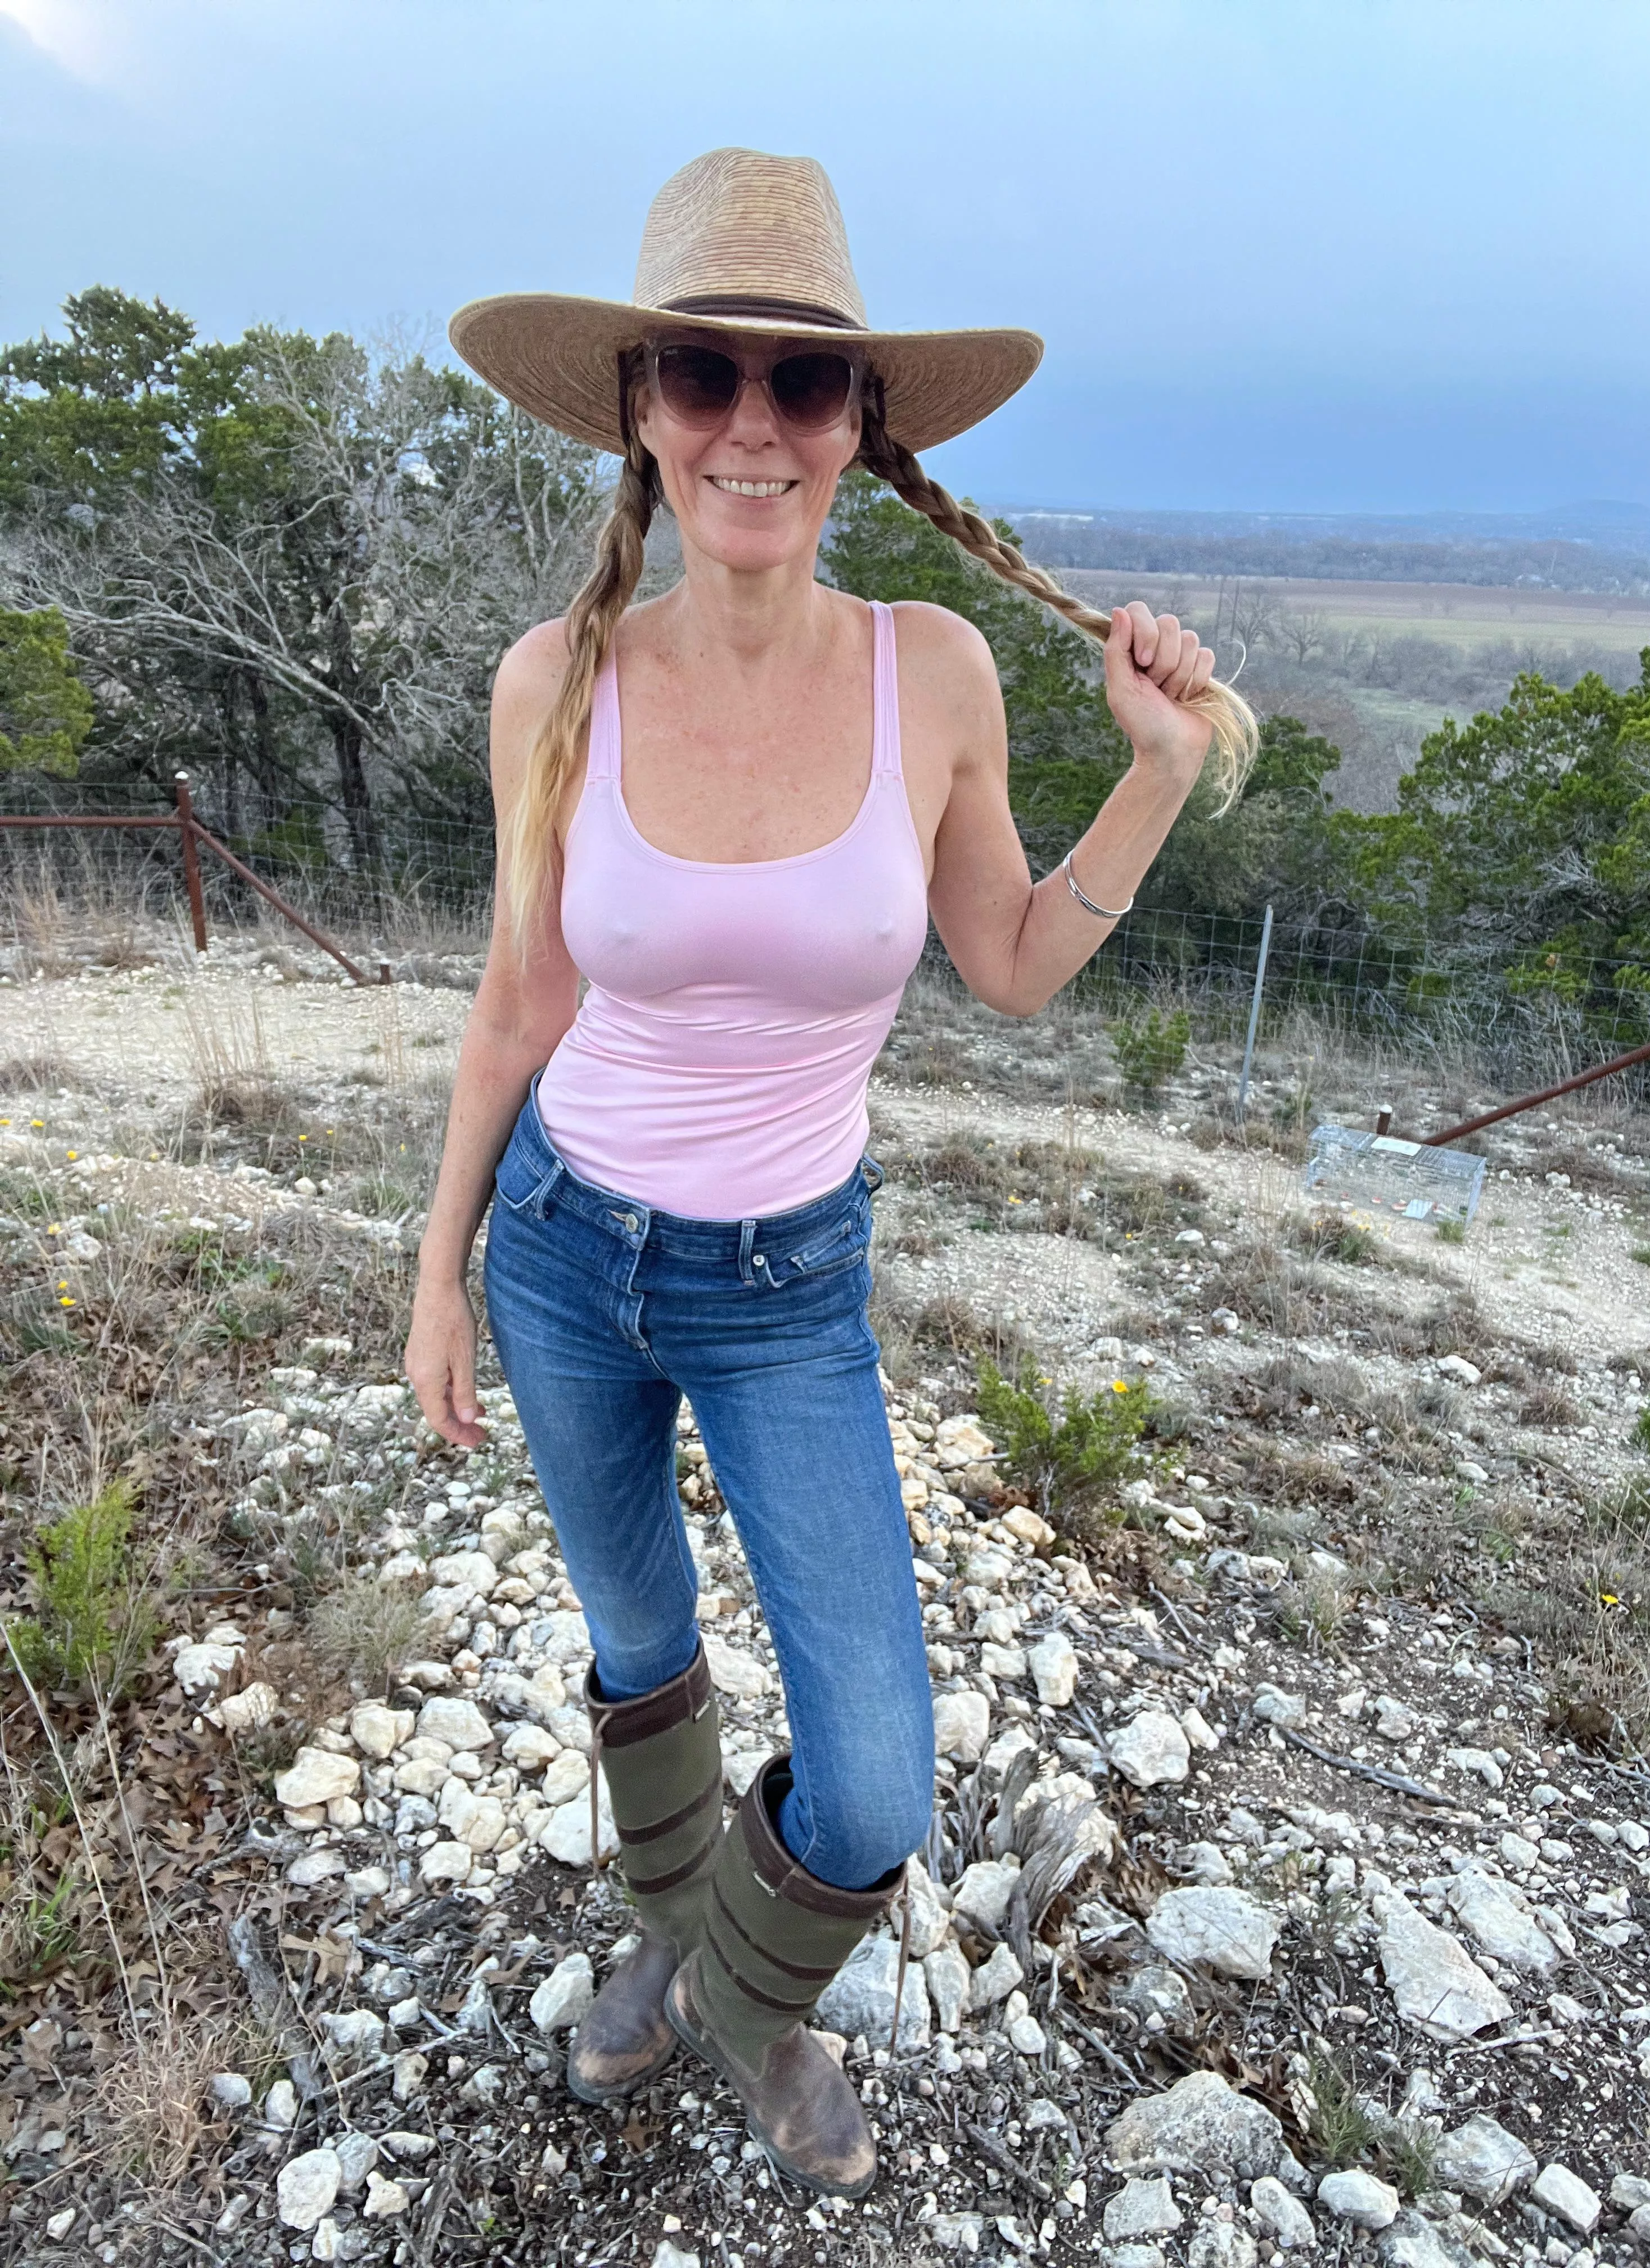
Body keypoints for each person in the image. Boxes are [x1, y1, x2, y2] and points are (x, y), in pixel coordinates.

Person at [408, 146, 1256, 2200]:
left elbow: (1016, 969)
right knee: (636, 1643)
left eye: (806, 387)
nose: (754, 426)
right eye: (706, 374)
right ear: (642, 408)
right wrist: (437, 1264)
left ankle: (726, 1989)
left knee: (874, 1774)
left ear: (863, 426)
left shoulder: (932, 680)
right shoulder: (559, 682)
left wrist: (1151, 779)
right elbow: (520, 1005)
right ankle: (692, 1957)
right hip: (562, 1252)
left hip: (787, 1283)